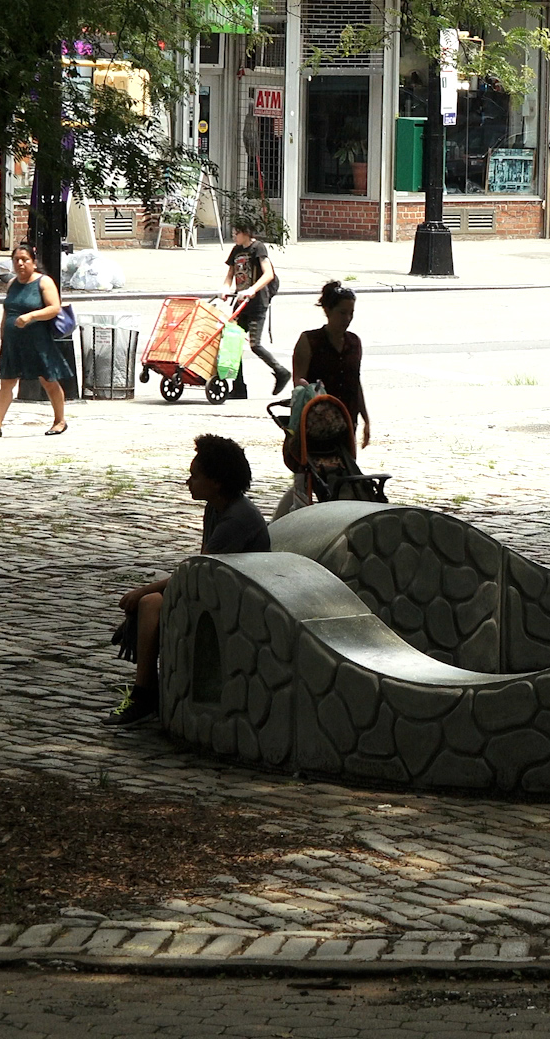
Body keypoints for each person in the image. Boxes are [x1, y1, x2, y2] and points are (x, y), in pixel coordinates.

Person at [104, 434, 271, 728]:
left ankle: (144, 693)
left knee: (150, 602)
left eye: (195, 476)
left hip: (240, 603)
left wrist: (143, 590)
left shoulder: (236, 519)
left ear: (217, 481)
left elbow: (197, 570)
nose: (188, 482)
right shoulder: (217, 509)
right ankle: (144, 690)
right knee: (150, 603)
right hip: (219, 591)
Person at [0, 242, 69, 437]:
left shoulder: (44, 282)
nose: (20, 263)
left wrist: (31, 316)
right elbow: (7, 309)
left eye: (25, 260)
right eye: (16, 260)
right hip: (13, 343)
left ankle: (60, 421)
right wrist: (3, 332)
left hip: (38, 342)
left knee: (49, 381)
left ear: (33, 263)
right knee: (7, 382)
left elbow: (54, 308)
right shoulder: (12, 283)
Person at [292, 281, 369, 448]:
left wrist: (366, 419)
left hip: (348, 418)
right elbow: (298, 379)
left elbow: (355, 382)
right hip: (317, 422)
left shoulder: (354, 342)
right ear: (327, 311)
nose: (347, 319)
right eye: (342, 313)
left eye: (351, 314)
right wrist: (308, 389)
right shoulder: (309, 340)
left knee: (346, 465)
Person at [224, 220, 292, 396]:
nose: (234, 236)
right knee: (233, 342)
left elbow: (268, 274)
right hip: (241, 305)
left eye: (236, 232)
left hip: (257, 305)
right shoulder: (236, 250)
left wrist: (252, 289)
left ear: (246, 232)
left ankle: (281, 372)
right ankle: (238, 387)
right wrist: (225, 288)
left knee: (255, 345)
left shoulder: (258, 248)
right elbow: (230, 274)